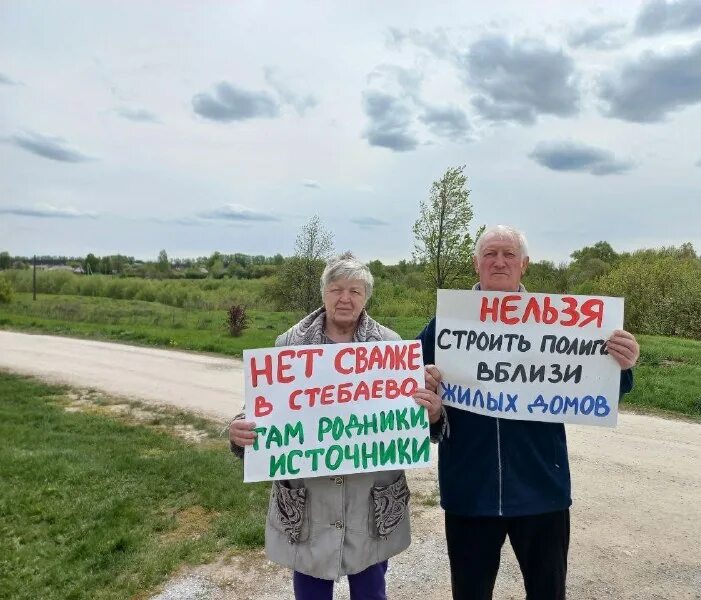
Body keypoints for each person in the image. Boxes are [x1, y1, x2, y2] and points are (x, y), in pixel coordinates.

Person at [418, 226, 640, 600]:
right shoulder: (445, 325)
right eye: (490, 254)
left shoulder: (562, 323)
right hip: (469, 489)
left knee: (547, 592)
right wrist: (433, 413)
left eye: (509, 254)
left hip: (541, 488)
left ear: (524, 265)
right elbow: (415, 404)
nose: (499, 262)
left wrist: (624, 363)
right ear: (476, 263)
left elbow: (602, 389)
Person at [230, 253, 442, 600]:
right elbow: (263, 406)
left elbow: (410, 414)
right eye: (336, 289)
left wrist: (431, 415)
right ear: (323, 293)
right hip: (309, 499)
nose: (345, 298)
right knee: (310, 588)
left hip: (370, 499)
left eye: (355, 291)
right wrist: (240, 430)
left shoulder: (391, 346)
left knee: (371, 589)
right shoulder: (289, 344)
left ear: (366, 296)